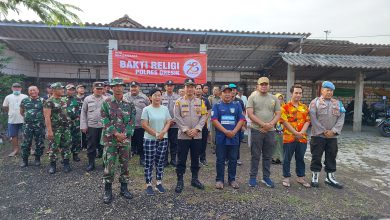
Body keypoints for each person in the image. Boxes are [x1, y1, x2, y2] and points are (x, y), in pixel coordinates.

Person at [101, 78, 136, 204]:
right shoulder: (106, 102)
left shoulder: (129, 103)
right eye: (115, 86)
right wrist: (116, 133)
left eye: (120, 85)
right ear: (111, 88)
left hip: (125, 140)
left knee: (125, 164)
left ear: (123, 87)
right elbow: (104, 120)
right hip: (111, 139)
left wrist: (125, 134)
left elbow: (132, 121)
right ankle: (108, 190)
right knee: (109, 165)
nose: (118, 88)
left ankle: (124, 188)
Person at [174, 78, 208, 193]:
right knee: (181, 159)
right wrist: (185, 130)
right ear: (184, 88)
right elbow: (177, 117)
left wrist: (197, 129)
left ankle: (194, 179)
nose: (190, 89)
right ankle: (180, 181)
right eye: (187, 86)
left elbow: (204, 116)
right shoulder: (178, 101)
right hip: (183, 136)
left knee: (195, 158)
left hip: (197, 136)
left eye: (192, 87)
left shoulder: (201, 102)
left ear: (195, 88)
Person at [309, 81, 345, 189]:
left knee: (331, 156)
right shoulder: (315, 102)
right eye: (327, 90)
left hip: (332, 137)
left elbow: (341, 118)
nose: (329, 92)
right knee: (316, 156)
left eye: (331, 91)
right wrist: (323, 131)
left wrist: (333, 131)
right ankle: (315, 176)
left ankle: (330, 177)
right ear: (322, 90)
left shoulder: (338, 103)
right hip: (318, 136)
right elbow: (313, 118)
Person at [247, 77, 281, 188]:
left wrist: (269, 125)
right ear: (257, 86)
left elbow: (278, 114)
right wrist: (263, 124)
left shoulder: (274, 99)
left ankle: (266, 177)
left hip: (270, 131)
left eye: (266, 84)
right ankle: (253, 178)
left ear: (269, 86)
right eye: (262, 84)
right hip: (257, 130)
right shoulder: (252, 98)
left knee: (267, 156)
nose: (264, 86)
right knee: (255, 155)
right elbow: (250, 114)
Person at [212, 85, 245, 189]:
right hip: (221, 137)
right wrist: (226, 131)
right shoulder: (216, 105)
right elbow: (214, 120)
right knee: (220, 159)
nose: (227, 94)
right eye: (224, 92)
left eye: (229, 92)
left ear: (232, 93)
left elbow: (241, 119)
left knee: (233, 159)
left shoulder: (237, 105)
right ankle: (219, 180)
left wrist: (234, 131)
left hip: (234, 137)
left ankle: (232, 179)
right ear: (221, 94)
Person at [141, 88, 172, 196]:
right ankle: (148, 184)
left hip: (163, 138)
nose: (157, 97)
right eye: (155, 95)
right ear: (150, 97)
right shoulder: (146, 109)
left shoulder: (164, 109)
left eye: (159, 95)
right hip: (150, 139)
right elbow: (144, 124)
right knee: (149, 162)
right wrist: (156, 134)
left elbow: (169, 121)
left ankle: (159, 183)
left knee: (160, 162)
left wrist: (163, 132)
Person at [280, 85, 311, 188]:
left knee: (300, 158)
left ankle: (300, 177)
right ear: (291, 93)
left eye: (300, 93)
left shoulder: (304, 107)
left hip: (302, 138)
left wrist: (301, 133)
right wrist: (295, 133)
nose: (298, 95)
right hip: (289, 138)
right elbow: (284, 121)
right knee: (287, 158)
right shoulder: (285, 107)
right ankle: (286, 177)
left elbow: (307, 121)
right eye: (296, 93)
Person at [43, 82, 72, 174]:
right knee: (54, 147)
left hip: (65, 128)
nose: (62, 90)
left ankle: (66, 164)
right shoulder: (49, 102)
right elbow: (47, 117)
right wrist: (49, 131)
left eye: (62, 89)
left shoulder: (64, 99)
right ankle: (53, 165)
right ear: (54, 90)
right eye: (60, 89)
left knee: (66, 146)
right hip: (55, 129)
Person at [80, 82, 107, 171]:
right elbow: (83, 112)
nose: (99, 90)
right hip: (91, 126)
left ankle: (105, 163)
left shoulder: (106, 99)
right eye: (97, 89)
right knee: (91, 145)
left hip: (103, 126)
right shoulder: (87, 99)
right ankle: (91, 163)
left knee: (104, 145)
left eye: (101, 89)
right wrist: (83, 125)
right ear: (93, 89)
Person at [124, 81, 150, 165]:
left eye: (135, 87)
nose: (134, 88)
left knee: (141, 143)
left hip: (140, 125)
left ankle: (142, 158)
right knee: (127, 143)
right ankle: (126, 158)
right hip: (128, 125)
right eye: (132, 87)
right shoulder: (125, 97)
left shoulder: (144, 97)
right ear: (130, 88)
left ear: (139, 88)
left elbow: (149, 109)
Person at [19, 86, 45, 167]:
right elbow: (22, 112)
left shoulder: (43, 100)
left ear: (38, 91)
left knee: (39, 142)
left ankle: (37, 159)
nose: (32, 91)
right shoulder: (24, 101)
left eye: (34, 90)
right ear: (28, 92)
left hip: (39, 125)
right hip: (27, 125)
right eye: (30, 90)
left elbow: (46, 112)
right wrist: (28, 118)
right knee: (26, 143)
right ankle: (25, 160)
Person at [2, 82, 28, 157]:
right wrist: (11, 112)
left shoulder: (25, 96)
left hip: (23, 119)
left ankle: (29, 148)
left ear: (21, 88)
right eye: (15, 87)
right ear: (12, 88)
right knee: (13, 135)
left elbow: (28, 106)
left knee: (26, 135)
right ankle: (15, 150)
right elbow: (5, 106)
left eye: (18, 87)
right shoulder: (8, 97)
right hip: (12, 119)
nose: (16, 88)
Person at [161, 80, 180, 166]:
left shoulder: (178, 97)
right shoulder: (161, 97)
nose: (169, 87)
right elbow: (159, 109)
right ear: (165, 87)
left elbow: (179, 110)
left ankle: (173, 160)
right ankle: (164, 160)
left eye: (171, 85)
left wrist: (174, 120)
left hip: (174, 124)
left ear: (173, 87)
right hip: (164, 124)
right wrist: (167, 121)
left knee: (174, 143)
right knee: (164, 142)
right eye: (168, 85)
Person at [229, 83, 246, 165]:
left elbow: (243, 113)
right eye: (231, 90)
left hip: (238, 126)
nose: (232, 91)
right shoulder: (224, 100)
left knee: (237, 142)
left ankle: (237, 158)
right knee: (227, 142)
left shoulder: (239, 101)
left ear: (236, 91)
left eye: (234, 90)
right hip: (227, 125)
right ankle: (227, 158)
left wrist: (243, 125)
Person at [195, 84, 212, 166]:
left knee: (203, 142)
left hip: (203, 125)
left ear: (202, 90)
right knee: (195, 143)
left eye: (199, 88)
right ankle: (195, 159)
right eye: (197, 88)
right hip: (194, 125)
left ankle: (203, 158)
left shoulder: (205, 100)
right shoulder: (192, 100)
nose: (198, 90)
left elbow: (209, 109)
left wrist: (205, 118)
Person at [65, 84, 82, 162]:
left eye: (72, 90)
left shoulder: (78, 100)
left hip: (76, 123)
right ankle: (65, 156)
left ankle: (75, 154)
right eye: (69, 89)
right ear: (66, 90)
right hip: (65, 123)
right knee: (66, 140)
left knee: (76, 139)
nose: (71, 91)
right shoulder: (62, 99)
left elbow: (82, 111)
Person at [272, 93, 285, 165]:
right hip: (273, 128)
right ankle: (274, 158)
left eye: (281, 99)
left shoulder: (284, 108)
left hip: (282, 128)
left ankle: (280, 158)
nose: (279, 100)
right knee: (274, 143)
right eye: (278, 99)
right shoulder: (272, 108)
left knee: (281, 143)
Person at [208, 86, 221, 154]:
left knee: (219, 133)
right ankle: (213, 147)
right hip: (213, 118)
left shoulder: (221, 98)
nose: (214, 91)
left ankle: (218, 146)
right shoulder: (210, 98)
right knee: (213, 133)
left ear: (219, 91)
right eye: (214, 90)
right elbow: (209, 108)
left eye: (216, 90)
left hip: (220, 119)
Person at [76, 84, 88, 150]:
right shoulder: (74, 98)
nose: (82, 89)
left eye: (83, 88)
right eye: (80, 88)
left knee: (85, 131)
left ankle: (84, 145)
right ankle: (77, 145)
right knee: (77, 132)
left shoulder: (87, 98)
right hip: (76, 118)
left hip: (85, 117)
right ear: (77, 90)